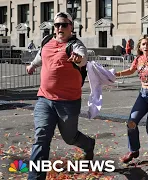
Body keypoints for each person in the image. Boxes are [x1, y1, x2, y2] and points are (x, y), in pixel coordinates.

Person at [26, 12, 95, 180]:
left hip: (68, 103)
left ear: (71, 27)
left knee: (70, 138)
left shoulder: (75, 45)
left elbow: (83, 58)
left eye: (64, 25)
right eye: (57, 25)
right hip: (45, 99)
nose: (59, 28)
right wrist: (32, 65)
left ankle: (89, 144)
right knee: (41, 137)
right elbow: (40, 56)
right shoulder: (47, 41)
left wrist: (78, 59)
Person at [115, 34, 148, 163]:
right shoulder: (139, 59)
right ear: (140, 46)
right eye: (143, 44)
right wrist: (116, 74)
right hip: (143, 94)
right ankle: (134, 150)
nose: (146, 46)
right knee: (131, 123)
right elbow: (131, 70)